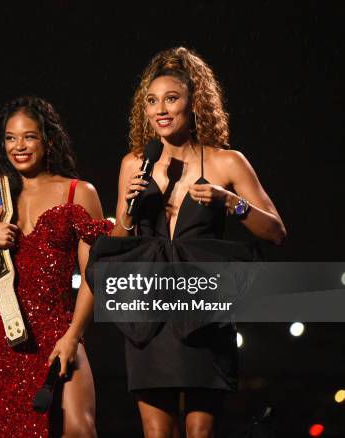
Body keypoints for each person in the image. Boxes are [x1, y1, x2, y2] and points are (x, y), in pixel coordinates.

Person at [100, 47, 286, 438]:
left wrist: (230, 201)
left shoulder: (227, 162)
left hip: (202, 307)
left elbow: (275, 231)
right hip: (149, 312)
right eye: (152, 101)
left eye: (171, 98)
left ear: (194, 103)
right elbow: (119, 243)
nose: (160, 110)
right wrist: (130, 213)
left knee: (201, 433)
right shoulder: (133, 163)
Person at [0, 96, 113, 437]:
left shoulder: (78, 193)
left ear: (48, 139)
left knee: (79, 428)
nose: (19, 146)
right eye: (11, 138)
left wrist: (74, 335)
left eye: (29, 136)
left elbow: (94, 276)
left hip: (58, 332)